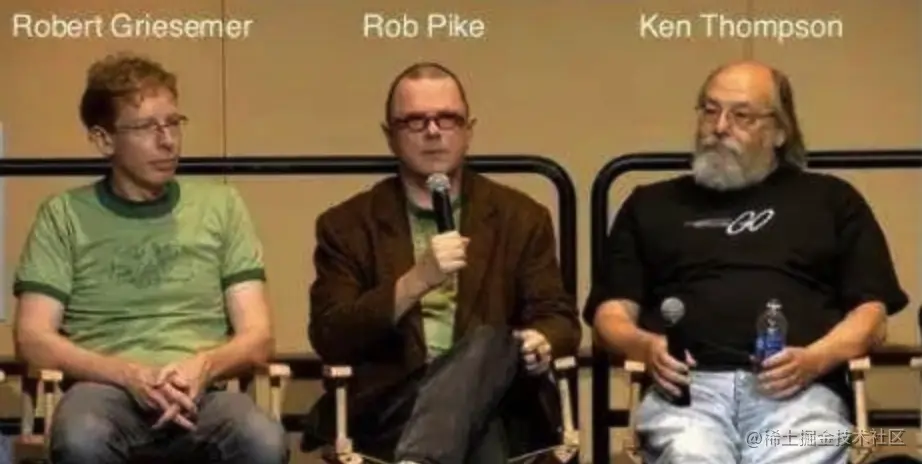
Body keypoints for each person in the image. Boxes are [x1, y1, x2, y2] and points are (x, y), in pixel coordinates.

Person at [585, 61, 908, 464]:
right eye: (710, 110)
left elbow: (872, 315)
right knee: (691, 455)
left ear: (780, 131)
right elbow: (610, 315)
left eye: (742, 116)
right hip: (687, 394)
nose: (720, 127)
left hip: (800, 391)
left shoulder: (832, 201)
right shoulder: (650, 204)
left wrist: (815, 360)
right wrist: (645, 346)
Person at [12, 52, 288, 464]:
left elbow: (258, 335)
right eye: (146, 127)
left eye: (173, 123)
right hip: (103, 391)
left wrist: (203, 367)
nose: (168, 141)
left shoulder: (222, 206)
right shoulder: (63, 215)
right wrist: (129, 375)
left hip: (203, 391)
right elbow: (33, 338)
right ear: (104, 140)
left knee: (262, 439)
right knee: (82, 437)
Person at [301, 62, 582, 464]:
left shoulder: (520, 217)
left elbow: (560, 318)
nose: (433, 131)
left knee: (491, 343)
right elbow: (331, 334)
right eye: (415, 121)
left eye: (447, 118)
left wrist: (542, 341)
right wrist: (415, 281)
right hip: (393, 408)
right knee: (483, 425)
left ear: (469, 131)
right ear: (390, 136)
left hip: (500, 403)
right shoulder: (347, 225)